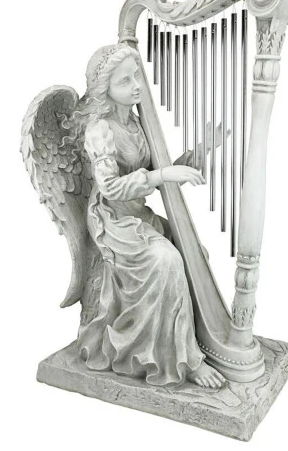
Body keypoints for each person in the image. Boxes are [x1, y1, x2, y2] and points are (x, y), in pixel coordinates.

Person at [75, 44, 226, 389]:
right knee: (167, 261)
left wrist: (202, 149)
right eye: (124, 81)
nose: (136, 86)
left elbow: (164, 171)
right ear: (105, 89)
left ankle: (197, 336)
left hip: (138, 217)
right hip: (113, 222)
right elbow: (111, 187)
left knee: (194, 252)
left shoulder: (138, 123)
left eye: (136, 76)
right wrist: (161, 175)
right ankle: (185, 360)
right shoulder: (99, 130)